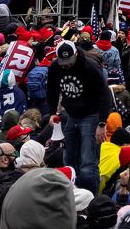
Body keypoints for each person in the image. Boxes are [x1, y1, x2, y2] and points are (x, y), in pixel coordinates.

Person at [46, 41, 114, 192]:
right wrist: (52, 112)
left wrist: (102, 123)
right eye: (63, 62)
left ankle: (90, 200)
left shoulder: (90, 67)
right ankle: (72, 196)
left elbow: (105, 95)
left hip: (91, 115)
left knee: (88, 165)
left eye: (69, 62)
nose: (66, 65)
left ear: (76, 54)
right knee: (68, 160)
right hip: (70, 113)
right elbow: (51, 90)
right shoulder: (55, 67)